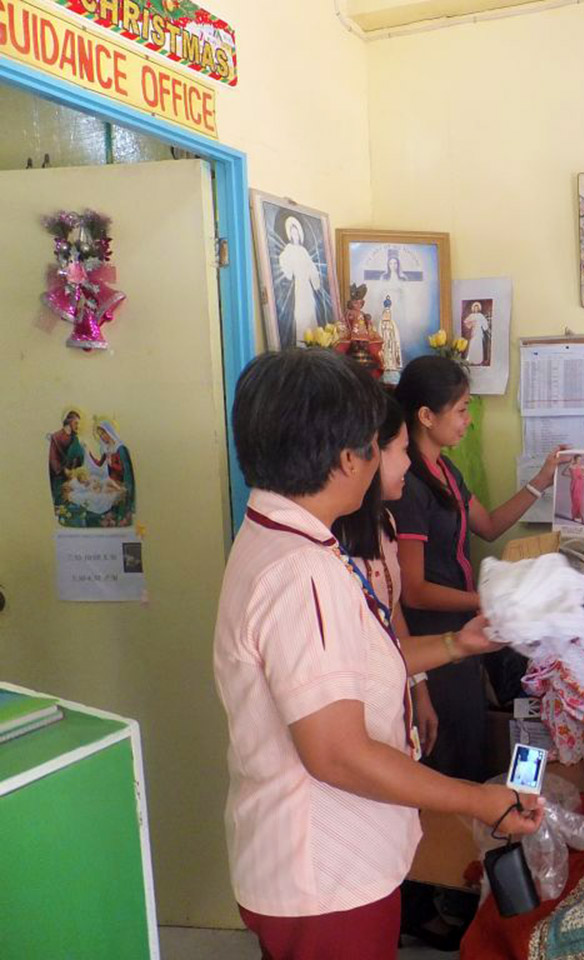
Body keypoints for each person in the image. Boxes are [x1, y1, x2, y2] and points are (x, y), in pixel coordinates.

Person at [213, 348, 542, 960]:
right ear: (347, 459)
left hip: (325, 862)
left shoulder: (287, 538)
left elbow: (356, 664)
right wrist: (480, 801)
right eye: (377, 443)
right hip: (325, 871)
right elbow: (338, 753)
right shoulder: (300, 573)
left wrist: (454, 644)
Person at [390, 355, 564, 784]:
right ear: (426, 416)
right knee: (449, 759)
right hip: (434, 640)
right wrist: (490, 600)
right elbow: (412, 590)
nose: (468, 420)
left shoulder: (446, 470)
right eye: (462, 409)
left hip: (467, 632)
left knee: (474, 749)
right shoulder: (407, 486)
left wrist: (542, 480)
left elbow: (489, 526)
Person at [331, 396, 438, 759]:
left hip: (398, 688)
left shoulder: (385, 524)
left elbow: (391, 613)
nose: (410, 463)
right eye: (403, 450)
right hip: (357, 717)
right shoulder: (327, 546)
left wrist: (419, 688)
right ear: (366, 455)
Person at [276, 216, 323, 345]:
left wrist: (315, 280)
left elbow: (311, 267)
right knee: (301, 313)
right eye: (292, 232)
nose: (294, 235)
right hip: (299, 285)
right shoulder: (289, 249)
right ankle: (302, 343)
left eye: (296, 232)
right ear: (290, 234)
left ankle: (313, 342)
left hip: (307, 286)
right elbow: (284, 261)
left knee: (310, 311)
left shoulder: (303, 250)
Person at [48, 409, 84, 499]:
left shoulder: (74, 438)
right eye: (76, 423)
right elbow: (53, 459)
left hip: (72, 474)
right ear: (68, 422)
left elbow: (79, 457)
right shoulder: (56, 437)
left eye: (78, 424)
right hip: (59, 477)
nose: (77, 426)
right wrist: (63, 470)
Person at [562, 453, 584, 525]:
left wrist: (582, 475)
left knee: (579, 502)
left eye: (580, 459)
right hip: (573, 484)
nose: (579, 461)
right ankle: (573, 516)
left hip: (580, 484)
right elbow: (563, 473)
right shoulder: (570, 466)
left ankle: (582, 518)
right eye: (578, 459)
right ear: (575, 459)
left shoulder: (581, 466)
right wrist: (571, 476)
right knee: (574, 502)